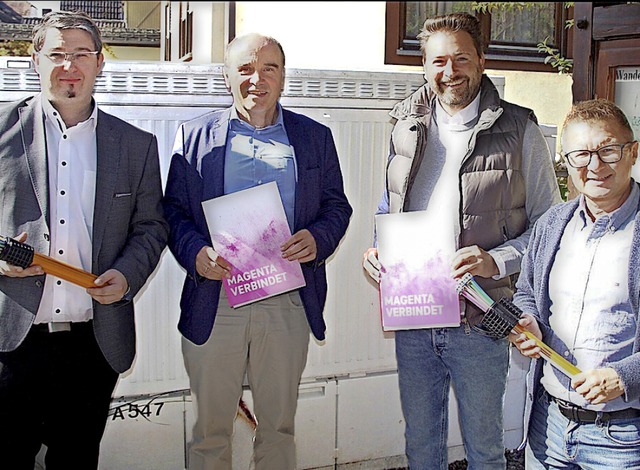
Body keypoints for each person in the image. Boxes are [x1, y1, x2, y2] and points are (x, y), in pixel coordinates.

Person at [362, 12, 561, 469]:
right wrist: (378, 250)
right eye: (438, 61)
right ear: (424, 66)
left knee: (485, 450)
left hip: (484, 318)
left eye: (460, 59)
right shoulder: (405, 126)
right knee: (421, 448)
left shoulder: (520, 129)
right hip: (415, 316)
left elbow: (551, 226)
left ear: (482, 61)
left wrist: (496, 261)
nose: (449, 72)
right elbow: (387, 207)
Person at [162, 32, 352, 470]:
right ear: (227, 76)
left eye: (269, 68)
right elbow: (172, 211)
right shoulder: (194, 137)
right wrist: (196, 254)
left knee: (278, 429)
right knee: (210, 432)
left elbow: (336, 206)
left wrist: (318, 239)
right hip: (219, 298)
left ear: (284, 77)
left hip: (286, 300)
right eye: (245, 68)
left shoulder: (313, 137)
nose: (257, 79)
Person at [0, 11, 168, 470]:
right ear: (35, 60)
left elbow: (151, 227)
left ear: (98, 63)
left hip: (92, 343)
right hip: (12, 340)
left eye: (80, 54)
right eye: (56, 53)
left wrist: (128, 274)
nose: (68, 65)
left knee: (76, 459)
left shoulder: (136, 145)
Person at [510, 99, 640, 468]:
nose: (595, 166)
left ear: (632, 152)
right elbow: (527, 293)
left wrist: (624, 377)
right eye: (581, 155)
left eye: (608, 151)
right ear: (565, 162)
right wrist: (528, 321)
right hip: (548, 425)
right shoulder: (552, 224)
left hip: (624, 438)